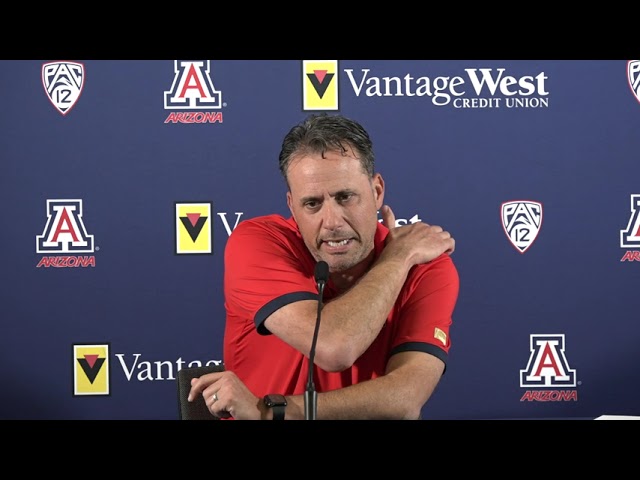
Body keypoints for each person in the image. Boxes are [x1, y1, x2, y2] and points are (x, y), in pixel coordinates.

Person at [188, 112, 459, 420]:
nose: (331, 222)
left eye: (345, 197)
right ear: (292, 206)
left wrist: (271, 411)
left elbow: (405, 398)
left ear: (376, 191)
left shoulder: (425, 267)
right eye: (312, 204)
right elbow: (334, 348)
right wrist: (397, 259)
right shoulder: (257, 242)